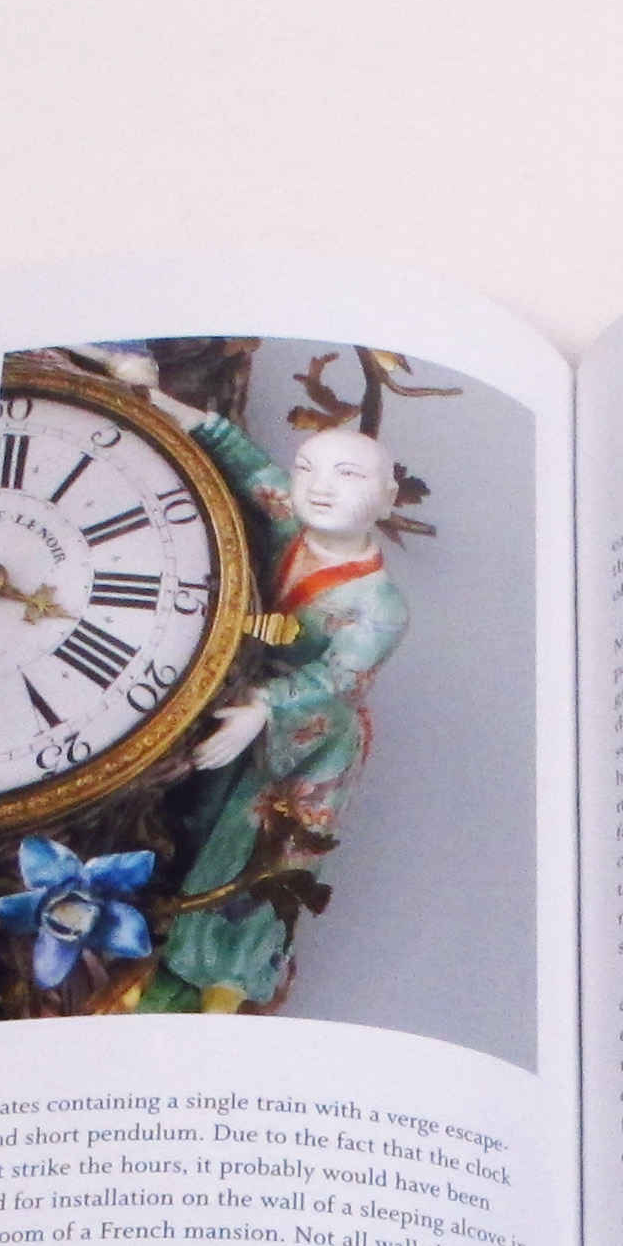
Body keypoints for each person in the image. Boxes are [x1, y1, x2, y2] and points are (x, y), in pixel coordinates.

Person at [108, 354, 410, 1011]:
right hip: (243, 699)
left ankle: (227, 982)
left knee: (265, 856)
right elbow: (245, 461)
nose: (320, 488)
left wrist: (263, 709)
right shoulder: (291, 528)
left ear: (388, 497)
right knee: (193, 820)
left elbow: (338, 678)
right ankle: (153, 950)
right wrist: (157, 398)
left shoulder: (380, 605)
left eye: (348, 475)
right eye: (307, 470)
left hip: (311, 739)